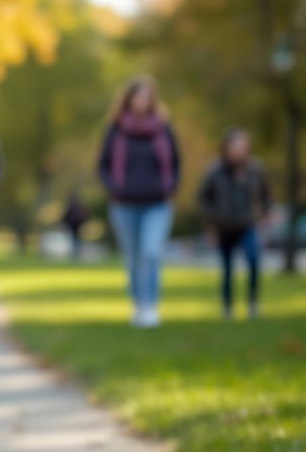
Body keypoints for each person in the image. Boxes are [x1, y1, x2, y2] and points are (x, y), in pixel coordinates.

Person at [97, 75, 180, 328]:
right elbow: (102, 165)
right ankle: (138, 304)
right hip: (125, 204)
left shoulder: (163, 128)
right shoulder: (117, 129)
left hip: (158, 203)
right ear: (129, 98)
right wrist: (115, 187)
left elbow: (177, 163)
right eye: (138, 95)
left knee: (151, 252)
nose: (143, 100)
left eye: (147, 96)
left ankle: (151, 306)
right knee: (133, 258)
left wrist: (170, 187)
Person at [198, 128, 271, 320]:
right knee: (227, 268)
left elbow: (266, 195)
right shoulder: (215, 171)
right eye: (235, 146)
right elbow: (204, 198)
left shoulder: (256, 169)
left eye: (243, 146)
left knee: (253, 260)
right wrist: (212, 221)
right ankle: (227, 307)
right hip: (223, 226)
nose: (239, 150)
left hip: (248, 224)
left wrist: (264, 214)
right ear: (227, 148)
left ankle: (253, 303)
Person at [60, 191, 90, 262]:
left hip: (76, 226)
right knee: (76, 241)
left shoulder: (74, 207)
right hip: (74, 226)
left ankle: (76, 254)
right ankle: (76, 254)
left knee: (76, 241)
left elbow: (65, 217)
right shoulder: (75, 207)